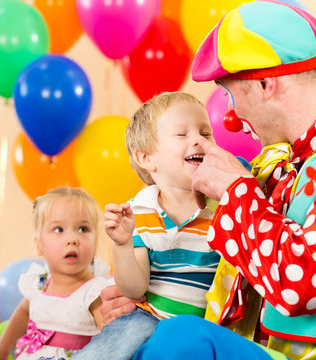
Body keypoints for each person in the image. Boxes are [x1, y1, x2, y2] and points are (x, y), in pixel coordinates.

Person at [112, 2, 316, 360]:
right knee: (178, 338)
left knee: (182, 339)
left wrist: (237, 192)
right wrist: (140, 306)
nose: (231, 117)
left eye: (230, 94)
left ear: (266, 84)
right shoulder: (278, 167)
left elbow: (302, 282)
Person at [72, 92, 221, 360]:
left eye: (205, 133)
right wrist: (123, 244)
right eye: (181, 134)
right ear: (147, 159)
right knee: (119, 340)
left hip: (207, 326)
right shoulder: (139, 211)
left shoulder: (222, 206)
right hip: (151, 319)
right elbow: (134, 289)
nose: (198, 140)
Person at [0, 187, 111, 360]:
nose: (72, 239)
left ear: (95, 243)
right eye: (59, 229)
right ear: (39, 244)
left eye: (83, 229)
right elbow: (20, 319)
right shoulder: (39, 284)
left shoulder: (93, 292)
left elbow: (111, 340)